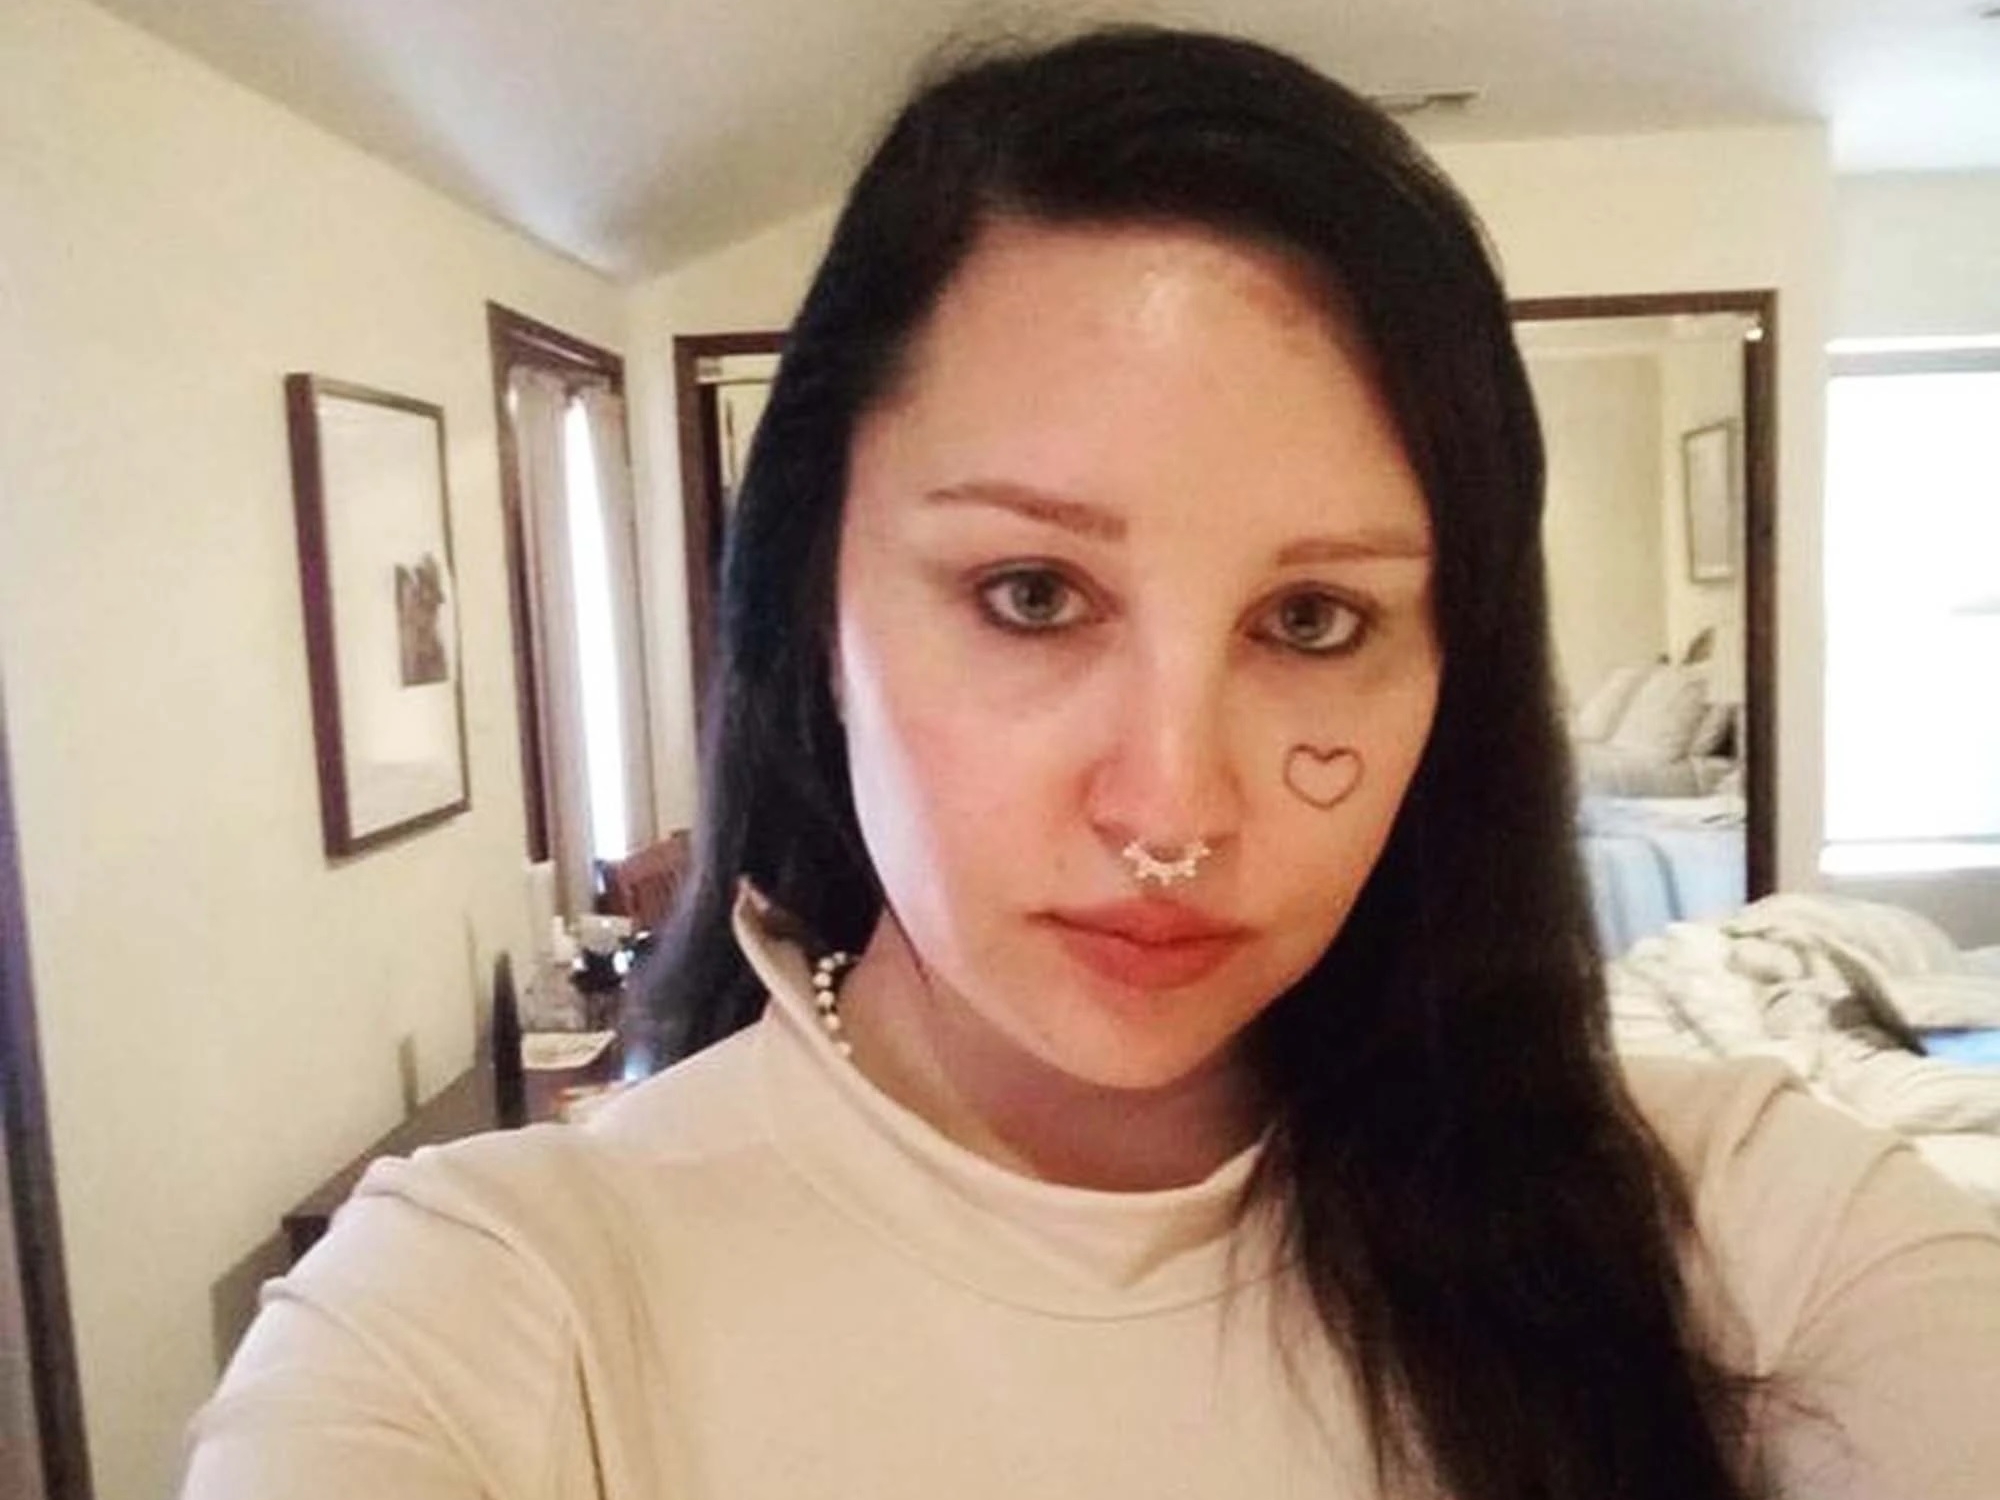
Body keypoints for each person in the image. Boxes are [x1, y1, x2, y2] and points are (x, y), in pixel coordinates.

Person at [183, 27, 2000, 1500]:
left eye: (1313, 621)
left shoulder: (1754, 1232)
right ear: (812, 607)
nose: (1172, 811)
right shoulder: (492, 1315)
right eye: (1032, 593)